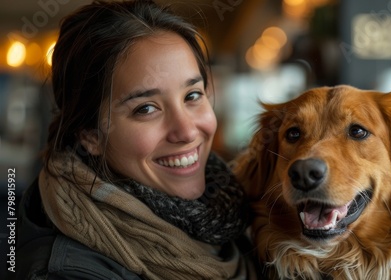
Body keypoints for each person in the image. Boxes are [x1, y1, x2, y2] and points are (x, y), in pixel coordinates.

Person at [14, 1, 258, 279]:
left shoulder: (242, 214)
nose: (188, 132)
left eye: (192, 95)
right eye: (146, 109)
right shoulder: (67, 273)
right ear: (90, 135)